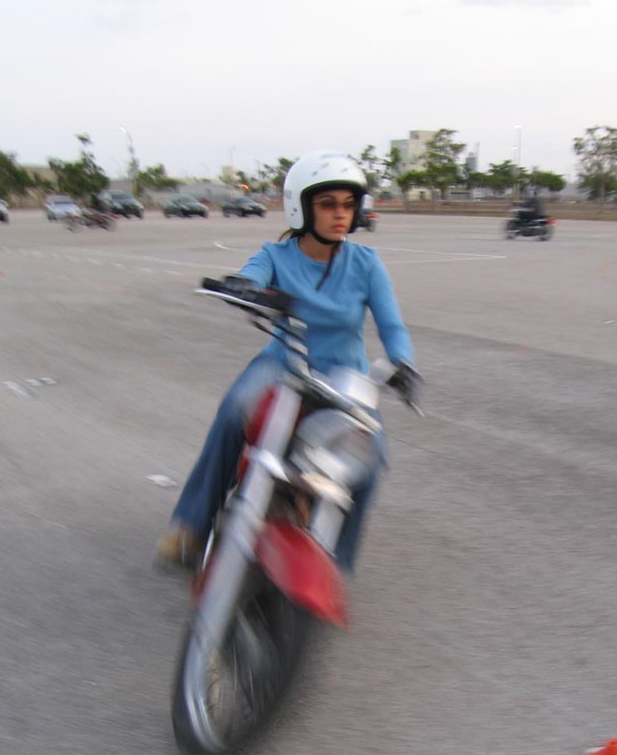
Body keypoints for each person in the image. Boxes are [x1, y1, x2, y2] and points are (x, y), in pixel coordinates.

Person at [155, 151, 419, 574]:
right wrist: (244, 287)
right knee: (233, 413)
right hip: (283, 365)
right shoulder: (276, 256)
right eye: (328, 204)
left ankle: (335, 569)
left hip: (346, 379)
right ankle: (191, 524)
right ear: (302, 207)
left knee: (371, 459)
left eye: (348, 205)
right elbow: (252, 275)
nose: (340, 214)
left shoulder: (367, 264)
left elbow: (392, 326)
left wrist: (403, 363)